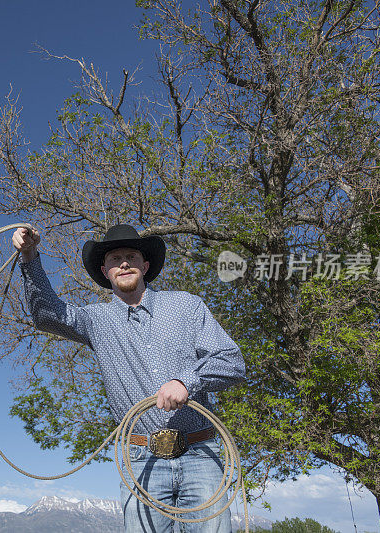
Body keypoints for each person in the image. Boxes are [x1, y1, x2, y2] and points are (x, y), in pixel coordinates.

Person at [12, 224, 245, 533]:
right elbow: (46, 314)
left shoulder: (186, 306)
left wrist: (185, 381)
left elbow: (232, 361)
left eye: (131, 256)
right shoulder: (95, 320)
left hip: (201, 454)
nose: (124, 263)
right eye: (115, 258)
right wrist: (29, 256)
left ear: (145, 265)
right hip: (139, 457)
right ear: (104, 270)